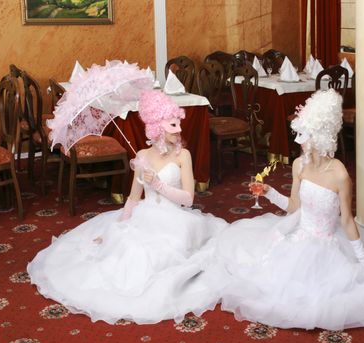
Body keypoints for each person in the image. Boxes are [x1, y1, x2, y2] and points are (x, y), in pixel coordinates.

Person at [211, 89, 364, 330]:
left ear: (319, 135)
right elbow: (295, 208)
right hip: (299, 234)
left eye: (303, 135)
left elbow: (347, 220)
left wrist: (363, 262)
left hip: (327, 242)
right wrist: (269, 192)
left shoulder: (339, 174)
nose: (298, 140)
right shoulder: (299, 165)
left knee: (324, 295)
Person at [27, 90, 228, 325]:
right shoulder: (142, 155)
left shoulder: (183, 155)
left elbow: (189, 199)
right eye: (173, 125)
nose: (179, 130)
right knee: (127, 251)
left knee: (167, 251)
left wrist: (159, 185)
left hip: (176, 219)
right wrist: (118, 226)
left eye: (179, 124)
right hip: (146, 214)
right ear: (158, 128)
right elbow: (133, 198)